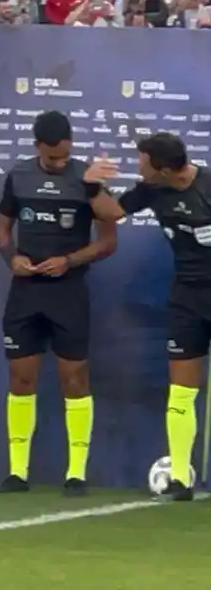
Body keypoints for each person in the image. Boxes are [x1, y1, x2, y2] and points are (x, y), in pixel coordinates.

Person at [0, 111, 121, 496]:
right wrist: (12, 257)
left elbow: (108, 240)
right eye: (52, 159)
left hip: (69, 293)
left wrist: (70, 260)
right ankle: (17, 473)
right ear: (38, 148)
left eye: (65, 156)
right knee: (21, 379)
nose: (60, 163)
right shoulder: (18, 175)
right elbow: (1, 230)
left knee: (74, 379)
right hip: (26, 292)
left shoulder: (88, 179)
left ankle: (76, 474)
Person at [88, 133, 210, 501]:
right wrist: (92, 186)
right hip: (188, 299)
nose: (138, 168)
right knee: (182, 391)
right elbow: (111, 212)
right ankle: (180, 480)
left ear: (164, 168)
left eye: (143, 162)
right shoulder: (151, 190)